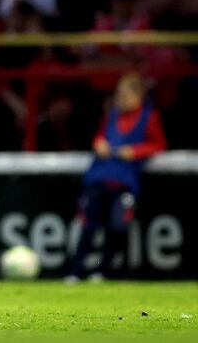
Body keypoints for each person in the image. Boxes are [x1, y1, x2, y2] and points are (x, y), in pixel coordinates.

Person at [65, 72, 166, 283]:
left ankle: (105, 271)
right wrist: (99, 143)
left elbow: (159, 145)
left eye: (126, 95)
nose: (121, 99)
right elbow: (100, 137)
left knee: (118, 225)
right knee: (88, 225)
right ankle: (76, 271)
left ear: (139, 96)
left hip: (124, 183)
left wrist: (135, 152)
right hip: (98, 179)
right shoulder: (111, 116)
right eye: (119, 95)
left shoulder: (148, 117)